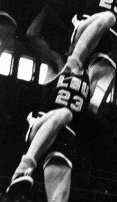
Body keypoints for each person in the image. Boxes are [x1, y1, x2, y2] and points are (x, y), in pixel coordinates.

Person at [6, 64, 90, 201]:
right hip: (42, 123)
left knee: (59, 199)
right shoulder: (58, 63)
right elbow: (36, 43)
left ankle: (25, 170)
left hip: (65, 138)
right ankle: (23, 168)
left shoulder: (89, 74)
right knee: (66, 113)